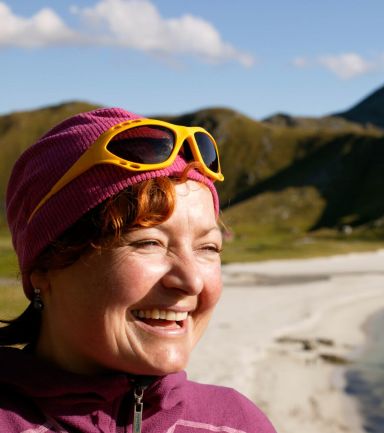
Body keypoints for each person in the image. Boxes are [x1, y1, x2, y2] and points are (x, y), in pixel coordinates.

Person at [0, 108, 277, 433]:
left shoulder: (237, 423)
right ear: (45, 267)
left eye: (208, 248)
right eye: (148, 243)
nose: (191, 281)